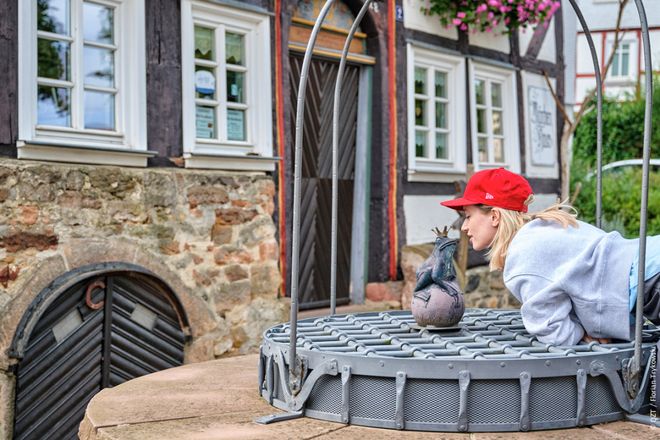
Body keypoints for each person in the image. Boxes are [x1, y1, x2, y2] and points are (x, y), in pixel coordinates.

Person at [440, 167, 660, 346]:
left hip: (651, 282)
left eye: (468, 216)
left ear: (495, 216)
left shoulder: (523, 257)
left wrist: (581, 334)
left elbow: (552, 331)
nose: (464, 227)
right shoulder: (543, 230)